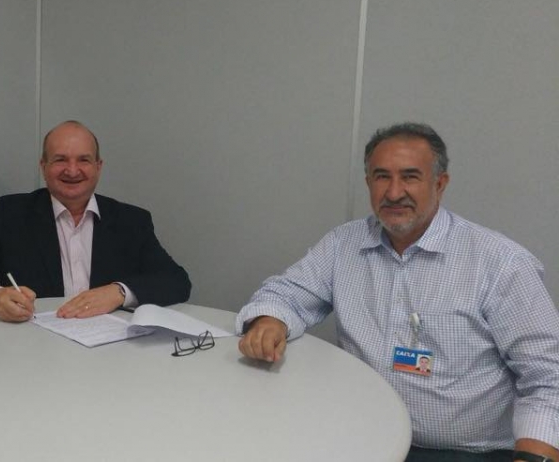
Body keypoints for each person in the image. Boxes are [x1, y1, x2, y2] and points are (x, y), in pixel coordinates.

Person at [236, 123, 559, 462]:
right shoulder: (343, 244)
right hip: (359, 433)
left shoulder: (500, 263)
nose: (393, 193)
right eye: (381, 177)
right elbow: (285, 293)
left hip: (462, 452)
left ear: (440, 184)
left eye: (410, 177)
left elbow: (549, 376)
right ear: (368, 183)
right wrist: (270, 320)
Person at [0, 120, 190, 322]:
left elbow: (176, 281)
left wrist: (119, 292)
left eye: (83, 160)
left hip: (112, 351)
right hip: (34, 347)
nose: (72, 170)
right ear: (43, 166)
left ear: (98, 166)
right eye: (60, 159)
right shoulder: (12, 215)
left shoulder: (131, 221)